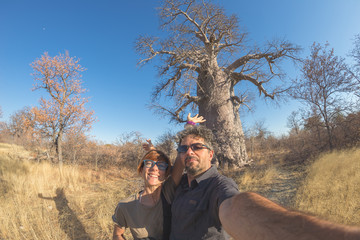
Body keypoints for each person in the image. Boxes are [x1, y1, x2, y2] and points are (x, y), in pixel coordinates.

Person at [170, 125, 360, 240]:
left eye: (197, 147)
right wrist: (189, 126)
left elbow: (236, 206)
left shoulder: (219, 186)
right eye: (184, 148)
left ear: (211, 154)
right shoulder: (179, 185)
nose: (189, 152)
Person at [112, 113, 205, 240]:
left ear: (167, 173)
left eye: (161, 166)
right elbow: (118, 233)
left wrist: (189, 126)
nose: (155, 168)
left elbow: (180, 158)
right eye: (148, 163)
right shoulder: (126, 206)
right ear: (141, 169)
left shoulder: (169, 193)